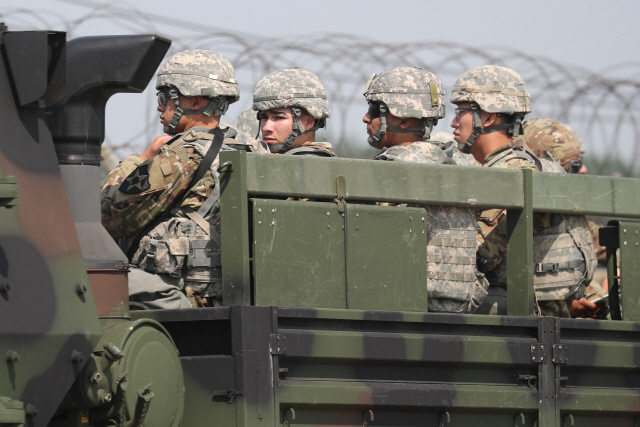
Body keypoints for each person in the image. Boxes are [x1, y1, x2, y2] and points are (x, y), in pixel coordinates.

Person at [101, 49, 253, 309]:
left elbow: (108, 215)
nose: (160, 107)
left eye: (165, 97)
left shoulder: (182, 156)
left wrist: (142, 158)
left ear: (195, 102)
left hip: (176, 297)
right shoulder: (244, 149)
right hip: (217, 298)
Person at [450, 66, 599, 318]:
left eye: (461, 112)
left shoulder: (508, 173)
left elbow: (474, 258)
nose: (453, 122)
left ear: (487, 118)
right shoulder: (537, 166)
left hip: (517, 317)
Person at [363, 66, 489, 314]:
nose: (366, 118)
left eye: (375, 110)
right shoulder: (456, 164)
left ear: (403, 118)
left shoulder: (392, 170)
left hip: (403, 303)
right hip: (461, 304)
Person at [522, 118, 608, 304]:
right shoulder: (513, 214)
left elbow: (606, 246)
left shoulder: (569, 218)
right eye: (574, 165)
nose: (583, 170)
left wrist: (597, 296)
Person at [252, 67, 335, 157]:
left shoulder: (310, 166)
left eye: (279, 118)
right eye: (264, 117)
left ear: (308, 122)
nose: (266, 128)